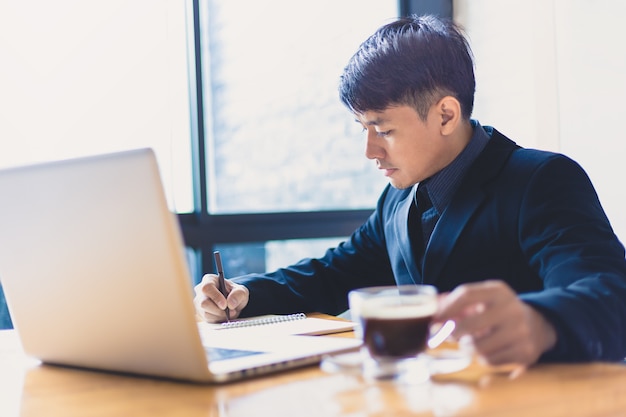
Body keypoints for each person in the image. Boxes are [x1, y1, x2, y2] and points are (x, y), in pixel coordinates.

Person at [194, 14, 626, 367]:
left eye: (383, 129)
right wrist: (246, 294)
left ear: (445, 114)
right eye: (363, 129)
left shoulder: (542, 179)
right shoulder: (398, 199)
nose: (369, 150)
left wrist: (539, 322)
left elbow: (610, 292)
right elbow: (336, 272)